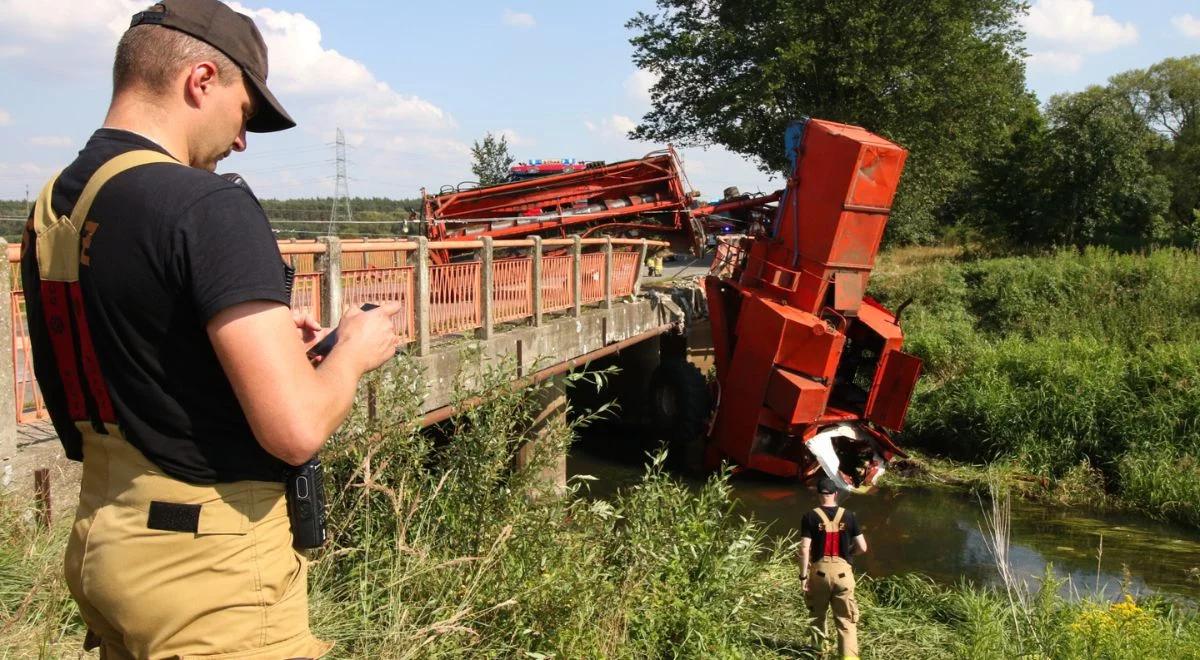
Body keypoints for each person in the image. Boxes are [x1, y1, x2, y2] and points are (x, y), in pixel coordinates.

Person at [21, 1, 401, 657]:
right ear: (200, 80)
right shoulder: (207, 204)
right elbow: (293, 430)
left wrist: (274, 343)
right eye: (245, 114)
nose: (242, 140)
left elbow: (135, 342)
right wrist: (354, 353)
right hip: (209, 571)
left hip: (105, 540)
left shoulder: (60, 200)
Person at [798, 476, 868, 660]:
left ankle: (819, 654)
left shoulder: (810, 516)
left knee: (817, 616)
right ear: (836, 494)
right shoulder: (850, 515)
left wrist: (803, 577)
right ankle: (849, 658)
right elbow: (863, 547)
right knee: (846, 620)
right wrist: (849, 553)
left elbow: (805, 548)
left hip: (819, 574)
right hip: (843, 574)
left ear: (819, 494)